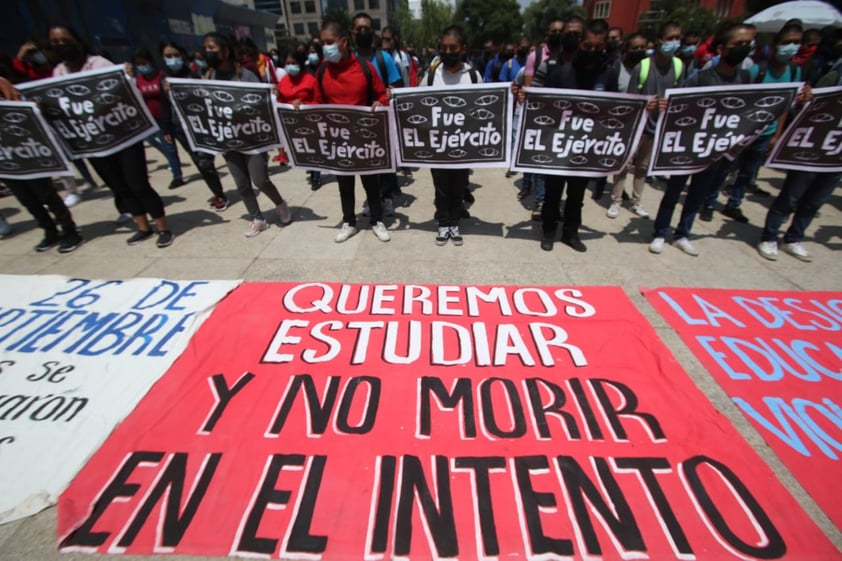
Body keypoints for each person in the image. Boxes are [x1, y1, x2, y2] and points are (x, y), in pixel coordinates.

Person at [48, 24, 174, 248]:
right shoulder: (58, 73)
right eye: (55, 42)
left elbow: (125, 92)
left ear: (78, 42)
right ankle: (142, 227)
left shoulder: (99, 65)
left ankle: (162, 227)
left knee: (138, 184)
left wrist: (126, 76)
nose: (60, 46)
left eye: (65, 41)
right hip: (93, 142)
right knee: (119, 187)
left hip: (125, 137)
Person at [650, 23, 754, 257]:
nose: (744, 48)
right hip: (689, 146)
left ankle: (683, 233)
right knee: (674, 190)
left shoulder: (746, 78)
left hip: (716, 148)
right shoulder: (701, 78)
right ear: (721, 48)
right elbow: (680, 105)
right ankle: (661, 231)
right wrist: (668, 106)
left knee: (698, 192)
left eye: (748, 44)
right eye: (738, 44)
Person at [531, 18, 617, 252]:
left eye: (598, 48)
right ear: (581, 43)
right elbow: (542, 103)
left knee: (577, 194)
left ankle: (571, 233)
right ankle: (549, 232)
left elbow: (618, 107)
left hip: (587, 146)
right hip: (559, 144)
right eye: (588, 46)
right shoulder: (561, 71)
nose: (593, 52)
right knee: (553, 192)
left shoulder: (608, 73)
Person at [201, 32, 292, 237]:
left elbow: (262, 102)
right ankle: (257, 218)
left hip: (252, 140)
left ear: (225, 51)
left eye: (212, 48)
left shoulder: (246, 75)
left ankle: (279, 203)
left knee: (260, 179)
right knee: (242, 183)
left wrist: (272, 95)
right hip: (229, 141)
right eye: (206, 48)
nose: (208, 52)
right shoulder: (208, 77)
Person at [714, 23, 804, 224]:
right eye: (787, 42)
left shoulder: (794, 72)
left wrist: (776, 135)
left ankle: (734, 203)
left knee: (748, 171)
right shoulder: (756, 71)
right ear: (775, 45)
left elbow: (786, 106)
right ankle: (710, 201)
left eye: (796, 43)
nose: (791, 46)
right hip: (741, 132)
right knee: (725, 168)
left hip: (765, 132)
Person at [312, 19, 391, 243]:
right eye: (323, 42)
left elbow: (382, 94)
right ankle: (349, 221)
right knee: (345, 185)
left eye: (330, 42)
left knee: (371, 184)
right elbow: (316, 103)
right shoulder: (323, 70)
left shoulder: (365, 68)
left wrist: (380, 103)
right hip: (339, 142)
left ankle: (377, 220)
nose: (325, 47)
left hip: (364, 140)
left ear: (344, 42)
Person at [609, 23, 684, 221]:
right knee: (624, 164)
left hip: (657, 127)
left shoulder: (678, 66)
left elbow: (680, 97)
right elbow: (632, 100)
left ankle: (636, 201)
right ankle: (616, 200)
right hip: (637, 127)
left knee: (642, 167)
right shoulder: (643, 67)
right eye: (670, 38)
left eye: (678, 38)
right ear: (660, 40)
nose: (674, 43)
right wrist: (645, 107)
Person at [0, 76, 82, 252]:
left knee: (47, 195)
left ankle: (69, 231)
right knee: (27, 199)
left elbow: (25, 112)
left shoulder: (7, 92)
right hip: (5, 162)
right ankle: (49, 231)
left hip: (27, 154)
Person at [423, 25, 483, 246]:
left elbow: (486, 107)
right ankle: (443, 222)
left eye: (453, 48)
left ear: (463, 49)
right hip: (438, 144)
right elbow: (416, 103)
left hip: (462, 144)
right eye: (444, 48)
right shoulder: (431, 75)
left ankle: (454, 221)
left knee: (458, 185)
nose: (448, 52)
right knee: (440, 186)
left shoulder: (474, 76)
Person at [158, 40, 229, 210]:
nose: (173, 59)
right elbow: (164, 105)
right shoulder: (164, 81)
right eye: (168, 56)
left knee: (205, 161)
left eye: (175, 55)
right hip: (180, 129)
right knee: (198, 162)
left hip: (199, 126)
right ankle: (218, 193)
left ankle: (219, 194)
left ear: (182, 56)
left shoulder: (193, 77)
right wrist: (166, 128)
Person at [352, 12, 403, 218]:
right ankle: (372, 198)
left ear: (372, 33)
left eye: (366, 28)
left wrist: (390, 93)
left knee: (386, 161)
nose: (362, 32)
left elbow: (398, 85)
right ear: (352, 33)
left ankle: (387, 197)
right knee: (366, 163)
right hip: (358, 120)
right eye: (359, 29)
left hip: (382, 117)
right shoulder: (350, 60)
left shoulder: (384, 58)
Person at [132, 47, 185, 190]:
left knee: (173, 147)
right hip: (153, 120)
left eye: (144, 63)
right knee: (162, 145)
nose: (142, 66)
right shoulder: (138, 80)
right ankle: (176, 171)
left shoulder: (162, 77)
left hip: (168, 118)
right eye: (139, 64)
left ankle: (177, 174)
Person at [277, 46, 321, 189]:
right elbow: (280, 102)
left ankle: (316, 177)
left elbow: (318, 101)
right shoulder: (283, 81)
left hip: (309, 121)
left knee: (313, 148)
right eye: (288, 63)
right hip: (292, 124)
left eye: (293, 63)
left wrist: (304, 104)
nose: (290, 66)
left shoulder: (310, 80)